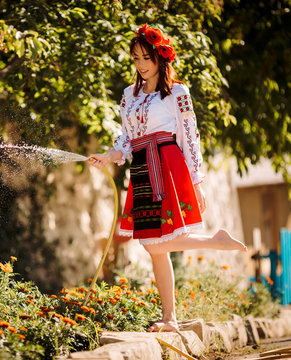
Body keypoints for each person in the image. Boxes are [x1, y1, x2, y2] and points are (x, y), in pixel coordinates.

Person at [88, 24, 247, 332]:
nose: (141, 64)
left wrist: (196, 180)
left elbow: (191, 137)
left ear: (160, 57)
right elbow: (127, 138)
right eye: (136, 58)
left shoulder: (178, 93)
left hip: (169, 163)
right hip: (143, 166)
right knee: (154, 246)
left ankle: (215, 245)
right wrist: (109, 156)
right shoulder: (128, 96)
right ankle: (170, 318)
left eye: (146, 57)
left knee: (155, 243)